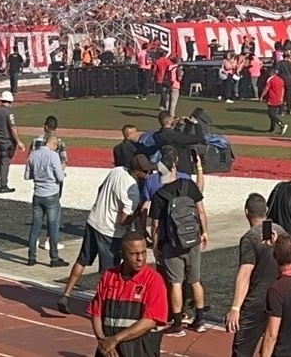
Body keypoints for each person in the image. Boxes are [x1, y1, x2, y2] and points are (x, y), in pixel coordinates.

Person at [57, 154, 156, 315]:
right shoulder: (132, 191)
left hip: (94, 220)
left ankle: (66, 294)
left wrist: (101, 204)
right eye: (145, 171)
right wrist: (138, 213)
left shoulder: (116, 171)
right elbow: (123, 220)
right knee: (108, 273)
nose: (148, 174)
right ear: (137, 171)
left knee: (82, 260)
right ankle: (100, 306)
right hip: (110, 232)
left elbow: (100, 188)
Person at [150, 153, 209, 335]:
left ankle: (177, 323)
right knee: (195, 281)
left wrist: (155, 247)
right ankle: (199, 320)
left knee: (176, 283)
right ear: (174, 168)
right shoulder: (189, 185)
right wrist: (204, 232)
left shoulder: (160, 195)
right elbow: (201, 211)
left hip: (171, 244)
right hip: (192, 240)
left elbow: (156, 226)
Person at [87, 231, 168, 357]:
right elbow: (96, 312)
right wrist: (102, 341)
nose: (140, 258)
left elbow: (150, 321)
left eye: (143, 252)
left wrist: (115, 339)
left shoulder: (154, 281)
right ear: (122, 255)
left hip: (139, 351)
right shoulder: (109, 276)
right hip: (109, 351)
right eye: (134, 254)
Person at [225, 193, 285, 357]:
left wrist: (235, 308)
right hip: (279, 299)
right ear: (266, 210)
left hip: (256, 302)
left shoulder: (250, 238)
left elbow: (245, 273)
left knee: (242, 349)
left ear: (246, 212)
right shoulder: (281, 231)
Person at [24, 132, 69, 268]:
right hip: (51, 193)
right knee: (53, 225)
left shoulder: (33, 154)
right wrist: (61, 171)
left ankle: (31, 257)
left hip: (38, 193)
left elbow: (27, 175)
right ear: (54, 144)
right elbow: (60, 177)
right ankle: (54, 258)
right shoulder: (53, 155)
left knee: (35, 226)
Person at [30, 116, 68, 250]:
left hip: (39, 182)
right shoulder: (59, 142)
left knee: (38, 214)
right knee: (54, 213)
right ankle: (50, 241)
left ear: (45, 126)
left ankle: (34, 240)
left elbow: (30, 160)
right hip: (53, 182)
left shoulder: (35, 141)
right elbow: (63, 162)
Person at [0, 90, 25, 193]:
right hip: (6, 141)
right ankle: (3, 185)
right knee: (5, 163)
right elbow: (13, 128)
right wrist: (18, 141)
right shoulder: (9, 113)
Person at [153, 111, 205, 176]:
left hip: (167, 165)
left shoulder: (156, 135)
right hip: (182, 168)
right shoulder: (175, 136)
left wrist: (178, 126)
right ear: (168, 122)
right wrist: (196, 123)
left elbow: (173, 138)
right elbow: (200, 138)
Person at [261, 67, 288, 136]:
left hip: (272, 98)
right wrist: (281, 98)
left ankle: (281, 124)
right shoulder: (281, 80)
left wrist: (262, 96)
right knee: (273, 113)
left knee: (270, 113)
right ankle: (272, 128)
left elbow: (266, 88)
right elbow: (282, 89)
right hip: (278, 98)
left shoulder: (270, 80)